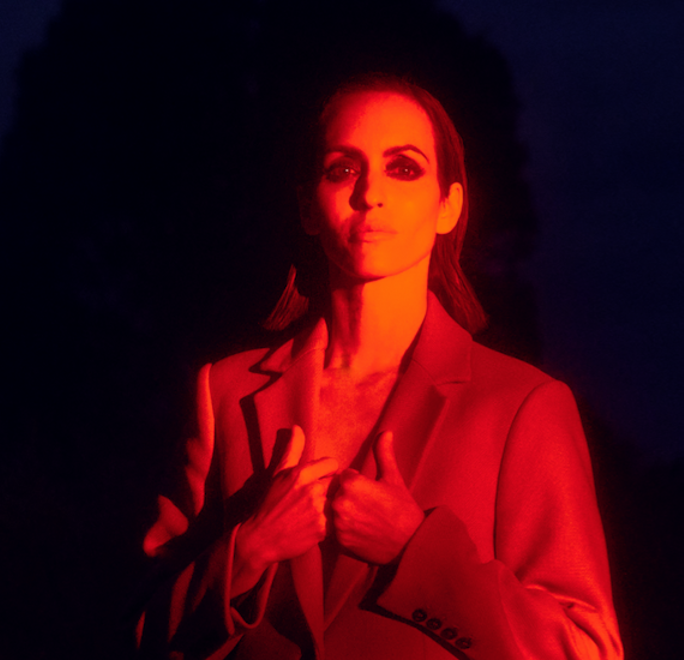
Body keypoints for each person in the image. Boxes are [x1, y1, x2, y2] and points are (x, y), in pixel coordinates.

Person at [137, 74, 623, 660]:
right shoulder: (224, 394)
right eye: (343, 169)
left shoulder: (523, 406)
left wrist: (415, 551)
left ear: (449, 206)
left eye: (404, 168)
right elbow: (144, 636)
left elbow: (585, 650)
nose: (371, 193)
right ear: (307, 207)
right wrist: (249, 552)